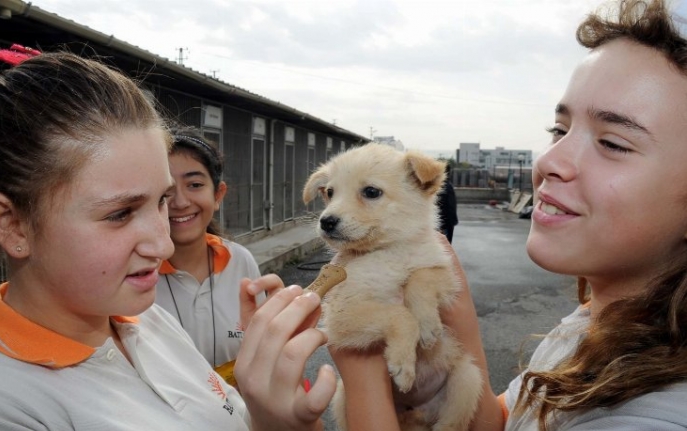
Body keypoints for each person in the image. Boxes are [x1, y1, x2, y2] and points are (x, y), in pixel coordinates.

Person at [293, 0, 687, 429]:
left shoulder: (652, 418)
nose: (550, 159)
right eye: (559, 130)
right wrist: (461, 334)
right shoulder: (589, 326)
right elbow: (501, 422)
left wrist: (346, 378)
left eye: (613, 142)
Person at [0, 48, 336, 430]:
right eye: (119, 214)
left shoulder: (146, 319)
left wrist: (275, 409)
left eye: (160, 201)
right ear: (13, 225)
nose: (164, 246)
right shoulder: (1, 404)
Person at [155, 128, 262, 385]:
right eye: (166, 189)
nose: (179, 202)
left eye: (195, 185)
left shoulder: (241, 261)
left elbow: (262, 349)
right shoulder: (132, 273)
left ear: (217, 195)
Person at [437, 163, 459, 243]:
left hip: (445, 224)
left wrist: (442, 225)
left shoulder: (443, 186)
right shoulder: (447, 185)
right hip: (447, 223)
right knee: (446, 246)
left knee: (444, 247)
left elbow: (447, 207)